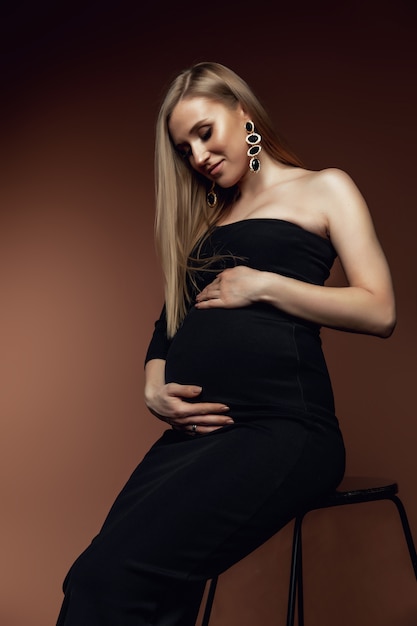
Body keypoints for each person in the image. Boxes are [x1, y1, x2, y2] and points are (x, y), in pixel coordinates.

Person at [56, 61, 396, 626]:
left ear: (243, 114)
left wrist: (264, 284)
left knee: (116, 577)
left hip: (284, 428)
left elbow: (380, 309)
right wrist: (153, 388)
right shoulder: (210, 222)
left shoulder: (323, 187)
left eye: (204, 132)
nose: (199, 156)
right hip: (195, 436)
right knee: (102, 580)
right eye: (185, 149)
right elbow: (169, 323)